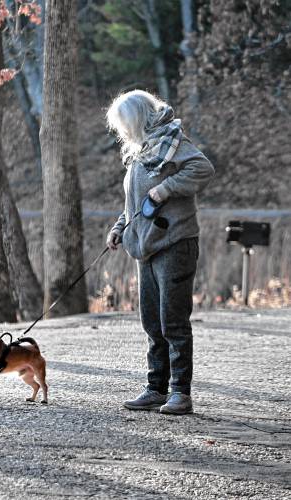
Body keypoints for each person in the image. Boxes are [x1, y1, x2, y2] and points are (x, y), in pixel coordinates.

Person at [105, 90, 214, 415]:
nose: (122, 132)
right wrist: (119, 227)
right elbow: (136, 203)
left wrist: (165, 188)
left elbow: (203, 169)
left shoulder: (175, 144)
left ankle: (180, 393)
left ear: (137, 120)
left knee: (173, 321)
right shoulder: (143, 152)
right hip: (145, 246)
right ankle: (155, 388)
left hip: (175, 243)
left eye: (125, 125)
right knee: (152, 321)